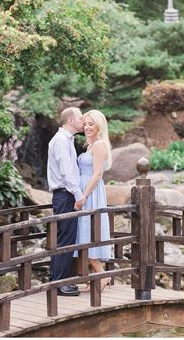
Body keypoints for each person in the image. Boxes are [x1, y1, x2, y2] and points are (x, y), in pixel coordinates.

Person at [47, 107, 85, 296]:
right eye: (80, 117)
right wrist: (78, 194)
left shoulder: (65, 139)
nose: (83, 120)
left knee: (65, 237)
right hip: (65, 194)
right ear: (71, 120)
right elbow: (66, 171)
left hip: (64, 193)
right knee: (65, 239)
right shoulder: (61, 141)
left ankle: (58, 280)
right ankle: (59, 283)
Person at [73, 109, 113, 292]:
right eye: (86, 124)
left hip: (91, 191)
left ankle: (102, 275)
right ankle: (98, 275)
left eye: (91, 124)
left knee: (89, 232)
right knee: (84, 232)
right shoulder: (90, 144)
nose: (87, 127)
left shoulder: (99, 145)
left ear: (99, 126)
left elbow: (97, 174)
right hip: (84, 187)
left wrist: (83, 196)